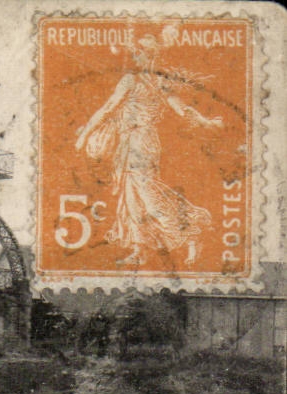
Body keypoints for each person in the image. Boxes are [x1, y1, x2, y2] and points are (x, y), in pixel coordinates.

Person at [74, 30, 223, 267]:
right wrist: (206, 121)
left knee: (148, 196)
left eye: (139, 52)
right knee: (131, 196)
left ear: (148, 56)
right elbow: (180, 108)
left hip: (139, 143)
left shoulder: (135, 81)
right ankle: (138, 248)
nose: (134, 55)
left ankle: (192, 232)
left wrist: (84, 135)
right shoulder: (157, 81)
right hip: (138, 142)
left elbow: (108, 108)